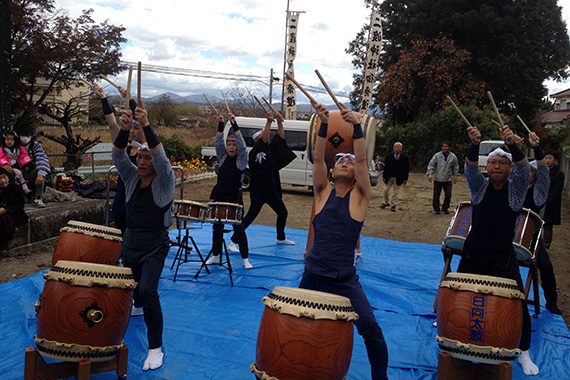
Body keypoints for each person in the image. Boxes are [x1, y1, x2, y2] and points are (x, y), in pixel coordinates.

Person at [300, 102, 388, 380]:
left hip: (343, 279)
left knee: (371, 330)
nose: (346, 163)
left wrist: (358, 126)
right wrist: (323, 123)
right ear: (333, 169)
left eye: (349, 162)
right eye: (340, 160)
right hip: (312, 274)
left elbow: (362, 160)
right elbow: (317, 159)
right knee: (298, 326)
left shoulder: (360, 196)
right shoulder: (322, 192)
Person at [460, 125, 538, 375]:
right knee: (457, 293)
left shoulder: (516, 189)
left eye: (501, 163)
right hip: (473, 252)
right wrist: (474, 143)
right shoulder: (479, 187)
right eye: (492, 162)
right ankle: (452, 329)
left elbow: (526, 169)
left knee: (519, 303)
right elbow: (469, 167)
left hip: (503, 257)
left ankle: (524, 351)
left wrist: (512, 145)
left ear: (509, 168)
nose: (495, 166)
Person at [112, 102, 175, 371]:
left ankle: (155, 348)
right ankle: (135, 306)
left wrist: (146, 125)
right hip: (131, 242)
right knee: (132, 289)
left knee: (149, 291)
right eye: (139, 157)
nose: (142, 161)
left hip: (155, 245)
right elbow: (117, 155)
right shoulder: (131, 177)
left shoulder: (165, 181)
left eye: (147, 158)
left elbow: (161, 157)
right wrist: (125, 131)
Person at [228, 111, 296, 251]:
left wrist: (279, 122)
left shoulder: (270, 150)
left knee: (282, 212)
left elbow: (280, 138)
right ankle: (233, 241)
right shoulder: (254, 153)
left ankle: (281, 238)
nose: (267, 138)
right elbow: (265, 138)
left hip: (272, 189)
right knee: (251, 216)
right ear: (256, 141)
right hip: (259, 190)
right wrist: (269, 122)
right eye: (263, 137)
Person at [93, 84, 146, 233]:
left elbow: (143, 120)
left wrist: (130, 99)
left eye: (136, 127)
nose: (132, 131)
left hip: (141, 202)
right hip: (122, 200)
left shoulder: (150, 151)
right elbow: (112, 124)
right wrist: (103, 97)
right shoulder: (125, 149)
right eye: (131, 127)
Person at [205, 112, 252, 269]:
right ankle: (216, 255)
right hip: (220, 195)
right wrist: (221, 123)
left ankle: (245, 259)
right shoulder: (223, 157)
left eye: (234, 145)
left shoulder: (241, 160)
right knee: (216, 227)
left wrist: (234, 124)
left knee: (238, 227)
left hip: (235, 197)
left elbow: (244, 147)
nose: (232, 147)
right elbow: (218, 143)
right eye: (229, 145)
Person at [14, 124, 51, 208]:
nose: (25, 138)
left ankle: (38, 197)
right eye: (23, 135)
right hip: (18, 172)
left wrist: (40, 174)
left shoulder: (35, 145)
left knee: (39, 174)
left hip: (30, 172)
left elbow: (41, 158)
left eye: (27, 135)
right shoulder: (14, 146)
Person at [426, 141, 459, 214]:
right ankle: (436, 209)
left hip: (448, 179)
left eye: (446, 146)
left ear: (449, 148)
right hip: (438, 178)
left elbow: (455, 167)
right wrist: (430, 174)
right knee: (436, 195)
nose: (444, 148)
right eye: (443, 146)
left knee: (448, 194)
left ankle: (445, 208)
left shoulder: (453, 157)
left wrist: (455, 176)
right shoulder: (437, 156)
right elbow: (431, 165)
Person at [0, 166, 28, 249]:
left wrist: (5, 210)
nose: (3, 181)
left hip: (15, 214)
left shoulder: (16, 189)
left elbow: (20, 205)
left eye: (4, 177)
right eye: (0, 178)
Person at [543, 150, 565, 250]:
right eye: (546, 158)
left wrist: (547, 201)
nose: (547, 161)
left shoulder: (559, 174)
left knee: (547, 227)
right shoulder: (542, 172)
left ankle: (546, 246)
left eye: (550, 158)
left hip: (551, 204)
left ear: (556, 161)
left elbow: (556, 191)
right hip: (540, 202)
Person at [0, 131, 32, 196]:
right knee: (18, 173)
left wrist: (26, 164)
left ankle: (22, 189)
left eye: (12, 140)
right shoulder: (2, 150)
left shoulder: (19, 149)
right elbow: (1, 157)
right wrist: (5, 164)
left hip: (18, 166)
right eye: (7, 139)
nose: (9, 141)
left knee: (22, 173)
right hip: (9, 167)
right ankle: (24, 188)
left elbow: (24, 156)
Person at [381, 142, 409, 212]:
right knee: (385, 190)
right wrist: (384, 176)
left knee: (396, 192)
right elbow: (386, 167)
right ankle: (385, 202)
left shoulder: (405, 158)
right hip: (389, 176)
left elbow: (406, 169)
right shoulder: (389, 156)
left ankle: (393, 205)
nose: (396, 149)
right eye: (395, 147)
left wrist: (405, 179)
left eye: (397, 147)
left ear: (401, 149)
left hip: (399, 177)